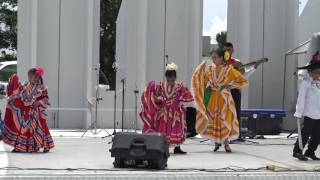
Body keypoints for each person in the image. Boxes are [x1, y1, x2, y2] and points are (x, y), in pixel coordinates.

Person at [192, 49, 248, 152]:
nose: (213, 59)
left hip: (224, 99)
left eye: (215, 57)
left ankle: (226, 143)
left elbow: (242, 80)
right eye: (212, 57)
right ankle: (217, 142)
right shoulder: (210, 69)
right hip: (213, 98)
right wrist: (198, 78)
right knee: (214, 120)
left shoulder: (228, 69)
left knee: (225, 119)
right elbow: (203, 81)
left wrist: (229, 85)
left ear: (221, 58)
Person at [140, 63, 193, 154]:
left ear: (175, 78)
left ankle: (177, 148)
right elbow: (157, 95)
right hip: (164, 112)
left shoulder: (180, 87)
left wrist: (181, 102)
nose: (170, 82)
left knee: (176, 128)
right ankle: (164, 147)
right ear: (166, 78)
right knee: (164, 129)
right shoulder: (161, 86)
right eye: (169, 80)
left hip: (175, 112)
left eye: (172, 80)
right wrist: (156, 99)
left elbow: (187, 97)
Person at [2, 67, 54, 153]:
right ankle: (21, 147)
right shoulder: (26, 84)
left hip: (37, 113)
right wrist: (12, 96)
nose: (29, 79)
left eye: (31, 77)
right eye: (28, 77)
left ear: (36, 77)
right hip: (26, 112)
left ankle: (46, 146)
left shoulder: (42, 87)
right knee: (24, 129)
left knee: (42, 128)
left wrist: (38, 103)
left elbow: (46, 99)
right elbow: (19, 93)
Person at [224, 42, 263, 141]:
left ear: (233, 50)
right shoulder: (220, 63)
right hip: (223, 92)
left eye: (229, 49)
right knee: (223, 113)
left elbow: (244, 76)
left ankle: (236, 135)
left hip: (235, 91)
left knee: (235, 112)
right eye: (226, 49)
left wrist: (255, 67)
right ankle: (223, 135)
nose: (228, 51)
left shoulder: (237, 63)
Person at [292, 61, 320, 161]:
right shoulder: (305, 83)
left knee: (317, 135)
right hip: (309, 113)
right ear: (310, 72)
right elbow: (301, 98)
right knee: (305, 133)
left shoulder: (319, 83)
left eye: (319, 73)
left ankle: (310, 151)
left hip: (318, 113)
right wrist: (298, 112)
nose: (318, 75)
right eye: (316, 72)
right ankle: (297, 151)